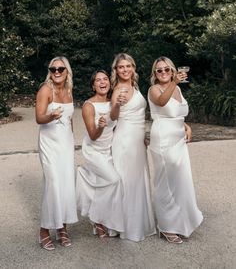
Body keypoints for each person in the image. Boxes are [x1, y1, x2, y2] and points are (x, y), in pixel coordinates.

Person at [148, 56, 203, 244]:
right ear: (155, 74)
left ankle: (181, 222)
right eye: (159, 70)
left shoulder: (178, 88)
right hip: (163, 139)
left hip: (178, 139)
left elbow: (177, 113)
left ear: (172, 71)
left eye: (167, 69)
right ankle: (166, 226)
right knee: (165, 182)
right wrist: (174, 82)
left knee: (180, 181)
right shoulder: (154, 89)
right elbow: (162, 103)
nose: (163, 73)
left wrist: (187, 126)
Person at [110, 53, 156, 242]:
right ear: (116, 70)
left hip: (137, 140)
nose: (125, 69)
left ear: (133, 68)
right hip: (125, 141)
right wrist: (116, 106)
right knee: (128, 181)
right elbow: (113, 116)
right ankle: (128, 226)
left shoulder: (134, 86)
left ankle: (137, 222)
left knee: (138, 180)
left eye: (128, 66)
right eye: (121, 67)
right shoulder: (118, 90)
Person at [36, 56, 78, 251]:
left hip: (66, 143)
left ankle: (62, 228)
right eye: (53, 69)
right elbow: (38, 117)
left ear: (67, 71)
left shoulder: (69, 91)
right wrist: (50, 116)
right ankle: (44, 230)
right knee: (53, 184)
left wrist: (72, 140)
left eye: (61, 68)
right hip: (49, 143)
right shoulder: (46, 90)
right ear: (50, 71)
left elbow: (70, 119)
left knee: (67, 184)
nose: (57, 72)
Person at [76, 70, 124, 238]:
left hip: (109, 150)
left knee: (107, 183)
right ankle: (96, 219)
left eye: (105, 79)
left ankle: (105, 220)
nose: (102, 82)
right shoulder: (89, 105)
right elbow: (93, 135)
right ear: (93, 85)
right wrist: (101, 126)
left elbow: (119, 127)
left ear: (109, 83)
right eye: (98, 80)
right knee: (114, 180)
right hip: (94, 150)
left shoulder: (113, 103)